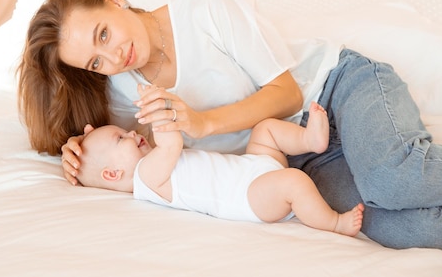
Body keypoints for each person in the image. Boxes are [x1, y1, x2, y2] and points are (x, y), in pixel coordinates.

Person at [17, 0, 442, 250]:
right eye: (95, 62)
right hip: (294, 163)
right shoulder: (122, 92)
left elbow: (285, 93)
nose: (114, 56)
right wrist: (73, 153)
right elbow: (110, 153)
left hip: (336, 89)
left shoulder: (203, 10)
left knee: (391, 181)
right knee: (398, 227)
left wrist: (204, 124)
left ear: (113, 0)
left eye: (103, 33)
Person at [78, 84, 365, 237]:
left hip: (251, 168)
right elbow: (171, 142)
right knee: (294, 182)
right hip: (248, 197)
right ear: (112, 174)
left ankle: (309, 141)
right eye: (120, 138)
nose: (130, 132)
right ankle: (335, 224)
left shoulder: (150, 164)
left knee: (264, 128)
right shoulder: (145, 179)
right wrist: (156, 107)